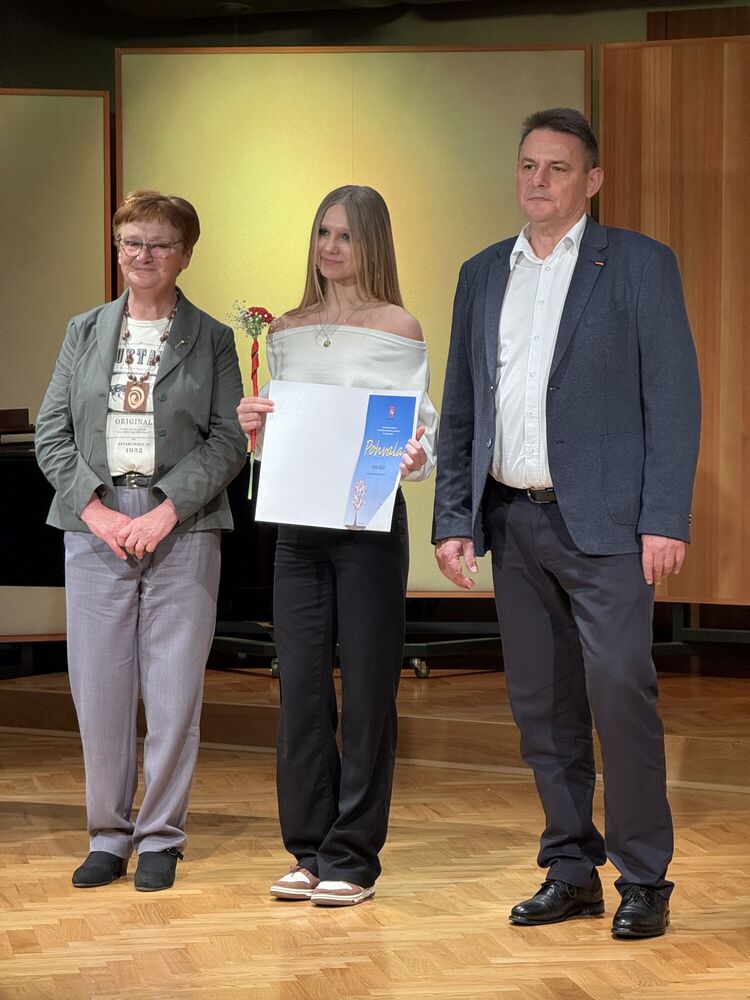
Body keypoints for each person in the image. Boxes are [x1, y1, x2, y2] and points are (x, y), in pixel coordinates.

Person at [433, 109, 700, 939]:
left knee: (620, 697)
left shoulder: (641, 265)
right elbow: (464, 406)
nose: (538, 180)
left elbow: (674, 398)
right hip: (513, 522)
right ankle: (570, 868)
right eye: (528, 165)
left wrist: (665, 517)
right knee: (542, 709)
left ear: (592, 180)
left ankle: (644, 877)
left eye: (557, 167)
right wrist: (453, 517)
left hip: (612, 528)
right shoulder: (483, 273)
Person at [36, 190, 247, 892]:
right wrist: (97, 513)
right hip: (95, 522)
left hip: (181, 524)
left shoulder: (212, 338)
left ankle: (160, 837)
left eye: (159, 244)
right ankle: (107, 834)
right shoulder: (84, 331)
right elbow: (52, 433)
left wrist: (164, 512)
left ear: (186, 254)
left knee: (174, 692)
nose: (143, 255)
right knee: (99, 691)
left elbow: (228, 440)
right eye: (131, 242)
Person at [237, 185, 438, 907]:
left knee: (368, 693)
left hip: (368, 530)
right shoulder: (286, 330)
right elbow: (284, 434)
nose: (330, 247)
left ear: (372, 243)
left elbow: (419, 423)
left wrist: (418, 455)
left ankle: (352, 857)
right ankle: (307, 850)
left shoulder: (398, 326)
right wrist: (255, 425)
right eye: (323, 232)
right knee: (300, 692)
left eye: (346, 235)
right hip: (297, 530)